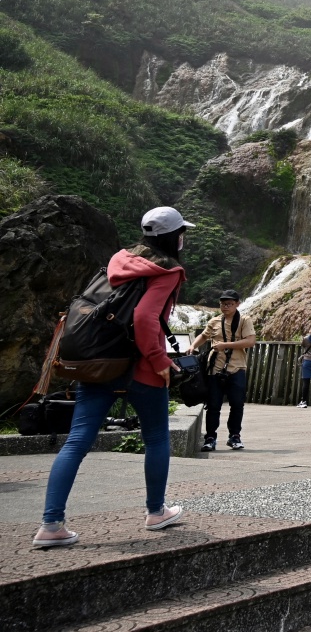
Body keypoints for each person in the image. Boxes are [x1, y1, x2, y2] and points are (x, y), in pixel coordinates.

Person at [33, 206, 192, 548]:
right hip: (141, 368)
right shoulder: (167, 270)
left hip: (99, 362)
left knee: (76, 441)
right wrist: (160, 360)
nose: (183, 238)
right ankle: (156, 511)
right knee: (156, 437)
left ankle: (50, 524)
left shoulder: (120, 258)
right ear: (172, 237)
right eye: (182, 232)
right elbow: (145, 318)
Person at [195, 289, 255, 451]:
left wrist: (225, 345)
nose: (225, 306)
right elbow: (204, 336)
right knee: (213, 405)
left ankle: (234, 436)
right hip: (215, 369)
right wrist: (193, 346)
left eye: (229, 304)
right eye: (222, 303)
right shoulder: (214, 321)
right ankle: (210, 437)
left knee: (237, 404)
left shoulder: (244, 320)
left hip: (237, 368)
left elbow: (250, 341)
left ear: (237, 304)